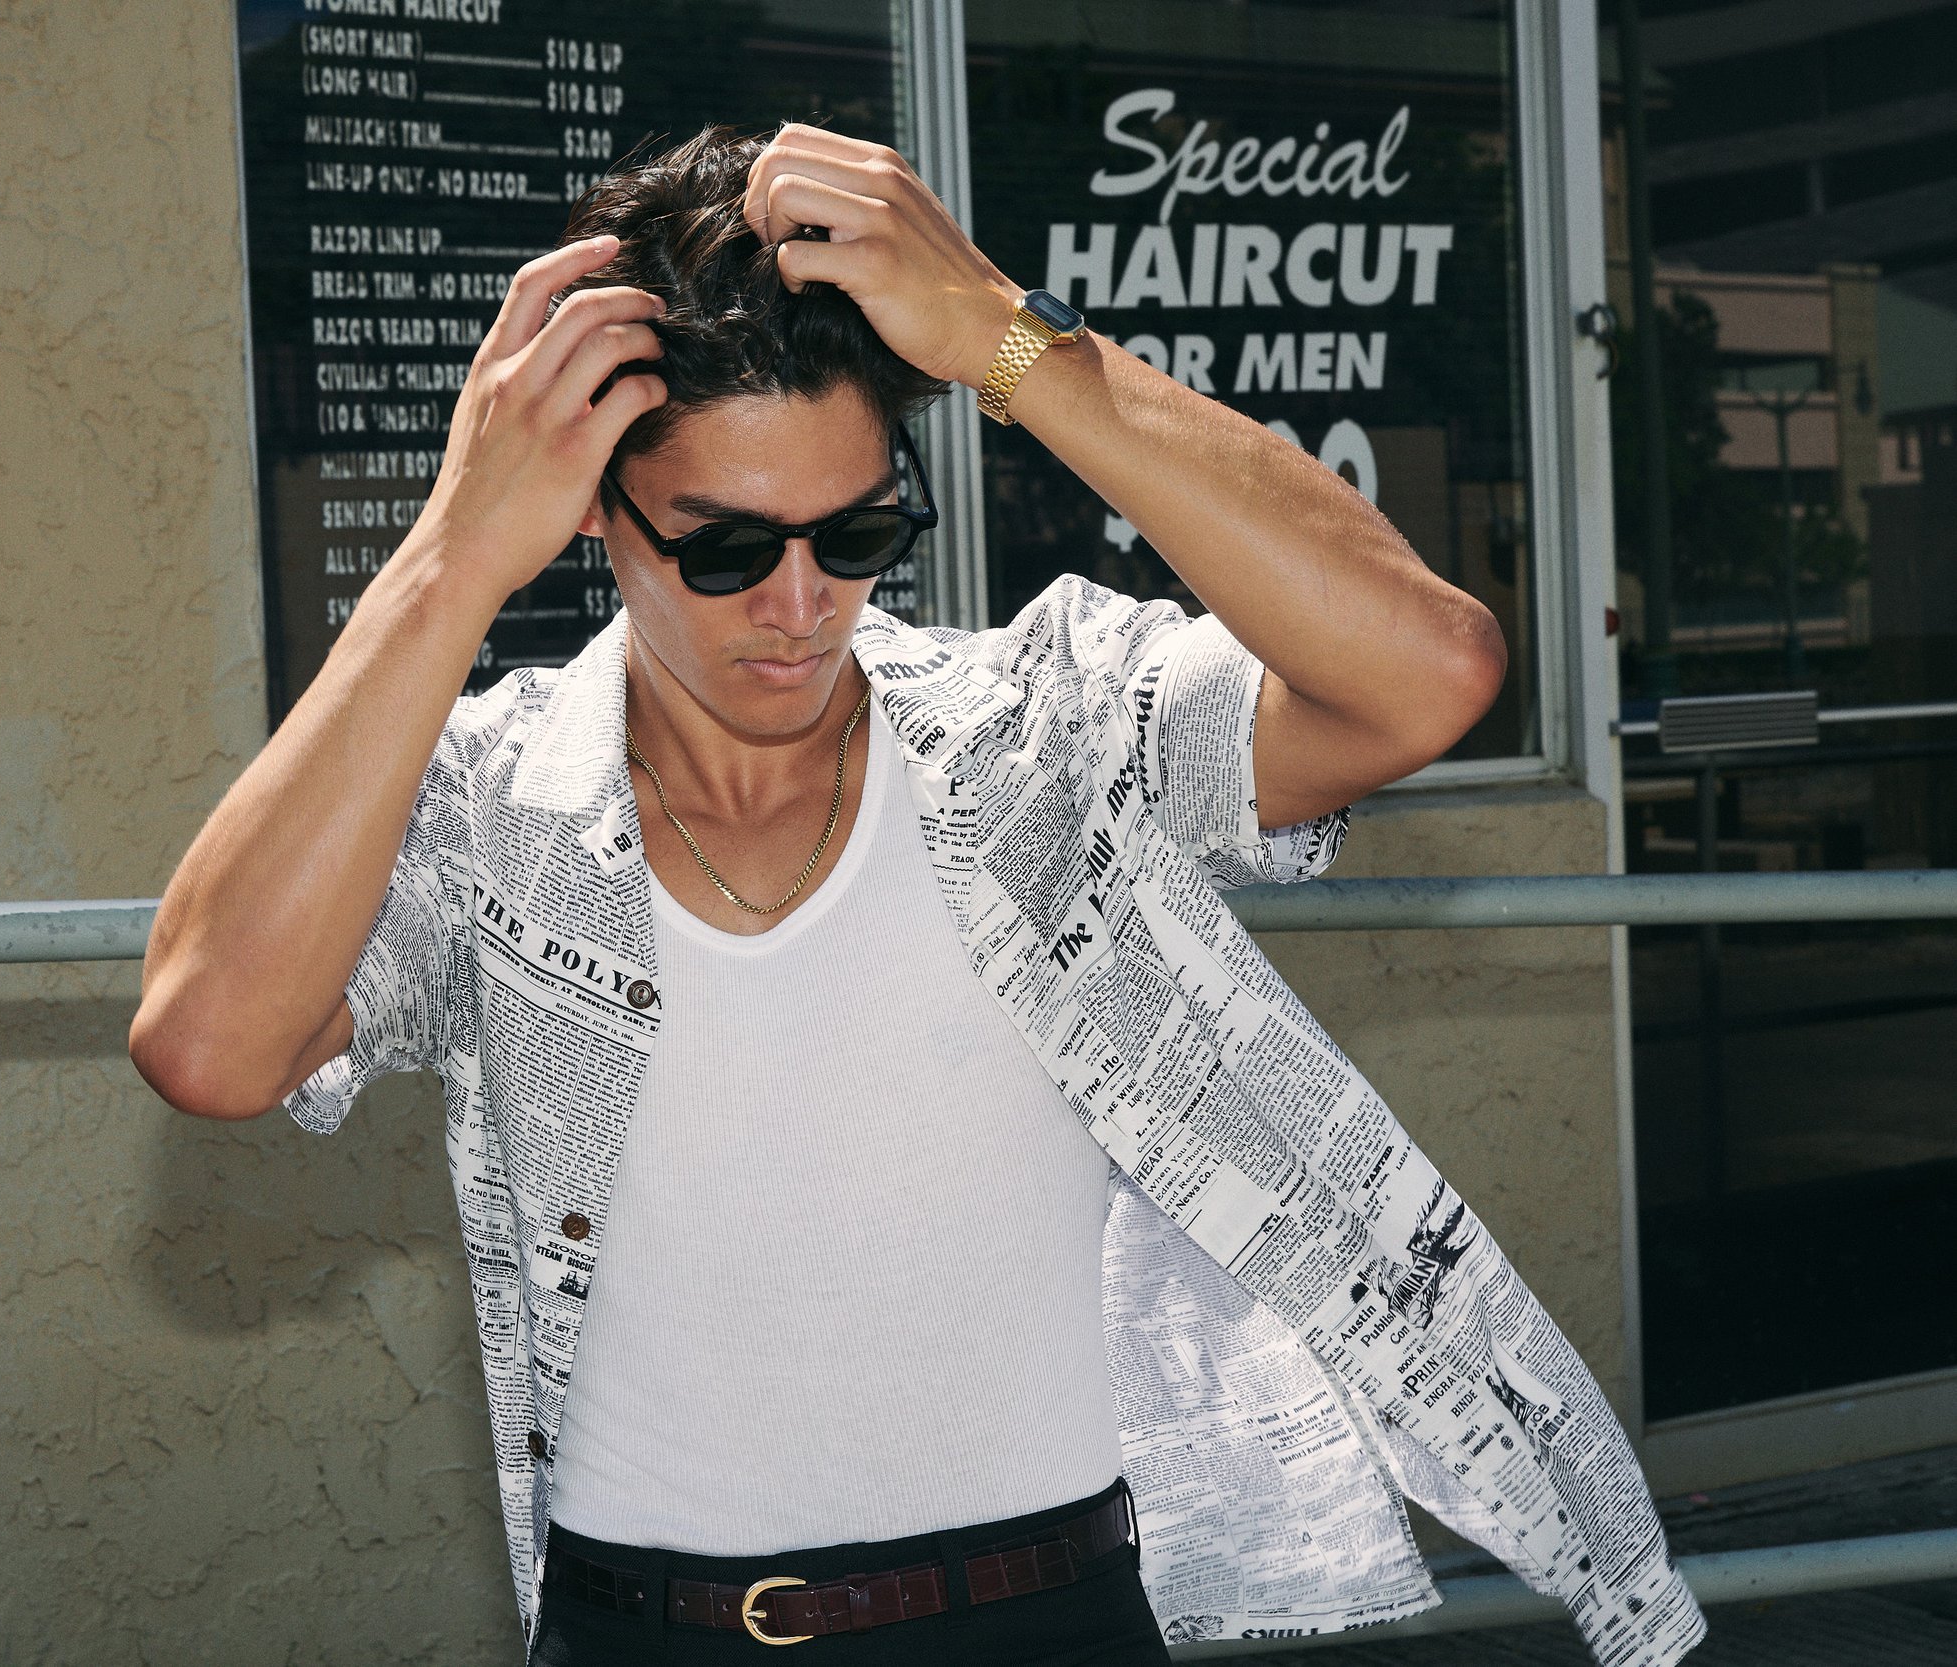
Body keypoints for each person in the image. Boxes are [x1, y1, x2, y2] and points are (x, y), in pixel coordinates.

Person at [130, 125, 1705, 1667]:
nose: (804, 605)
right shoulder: (493, 801)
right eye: (729, 548)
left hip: (1052, 1619)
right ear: (600, 520)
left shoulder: (1046, 732)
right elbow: (209, 1043)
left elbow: (1430, 677)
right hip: (652, 1636)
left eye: (861, 532)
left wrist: (1014, 346)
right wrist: (448, 562)